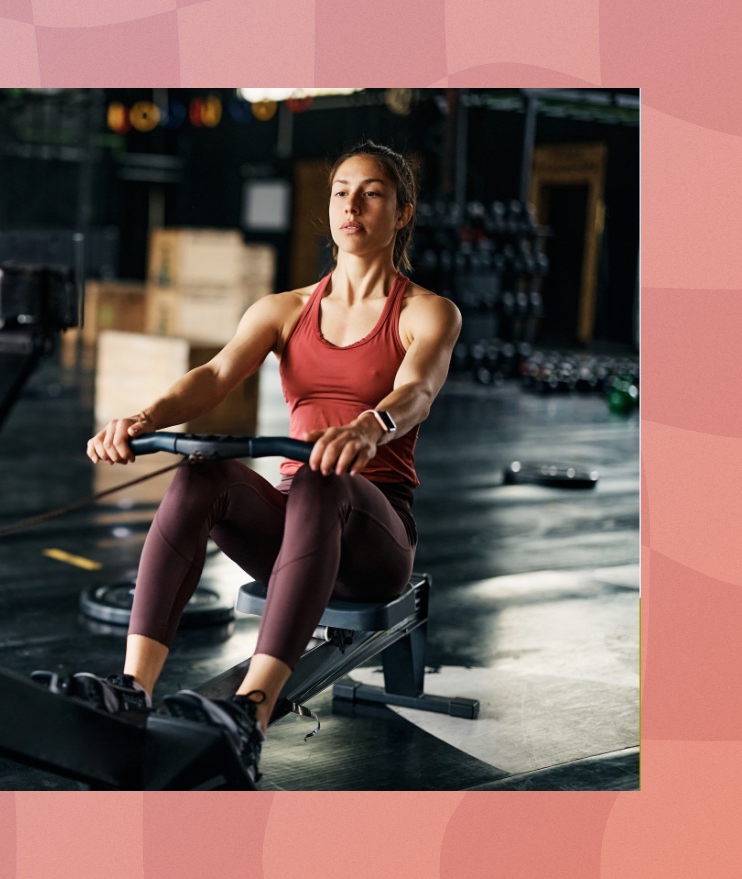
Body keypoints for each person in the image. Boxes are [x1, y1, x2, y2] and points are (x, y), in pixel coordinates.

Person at [77, 141, 461, 786]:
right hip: (294, 531)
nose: (351, 204)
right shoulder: (284, 310)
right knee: (201, 473)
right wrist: (144, 419)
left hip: (375, 537)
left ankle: (250, 713)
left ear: (402, 213)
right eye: (341, 190)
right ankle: (130, 690)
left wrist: (371, 426)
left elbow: (417, 391)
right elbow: (214, 375)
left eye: (371, 192)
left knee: (321, 477)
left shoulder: (426, 311)